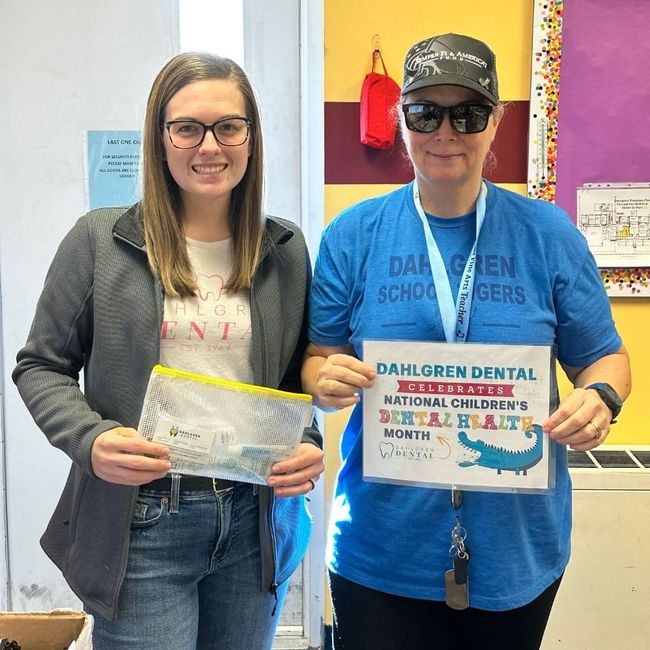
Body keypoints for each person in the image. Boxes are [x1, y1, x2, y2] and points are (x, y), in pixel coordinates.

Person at [303, 33, 630, 650]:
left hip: (516, 552)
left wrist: (602, 398)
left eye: (468, 113)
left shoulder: (548, 234)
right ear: (402, 121)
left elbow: (604, 357)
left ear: (496, 122)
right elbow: (318, 358)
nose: (445, 132)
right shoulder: (353, 235)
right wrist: (321, 380)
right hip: (380, 549)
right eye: (425, 112)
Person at [13, 52, 324, 650]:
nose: (209, 145)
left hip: (252, 521)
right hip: (143, 520)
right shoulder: (100, 242)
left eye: (229, 126)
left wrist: (305, 444)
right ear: (160, 138)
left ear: (252, 137)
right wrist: (91, 439)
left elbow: (291, 380)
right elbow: (41, 366)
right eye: (187, 127)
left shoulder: (285, 249)